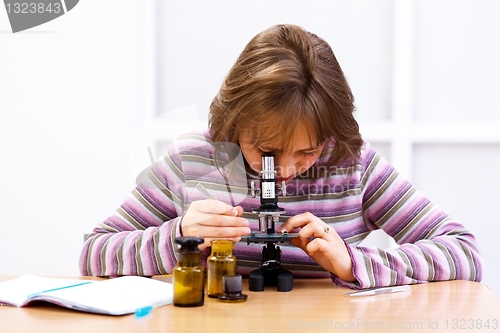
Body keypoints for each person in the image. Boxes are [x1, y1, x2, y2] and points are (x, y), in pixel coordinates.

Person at [80, 24, 483, 289]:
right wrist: (178, 235)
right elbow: (93, 253)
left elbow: (464, 252)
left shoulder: (353, 166)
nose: (286, 172)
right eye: (268, 152)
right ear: (233, 124)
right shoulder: (194, 161)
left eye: (308, 151)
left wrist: (353, 263)